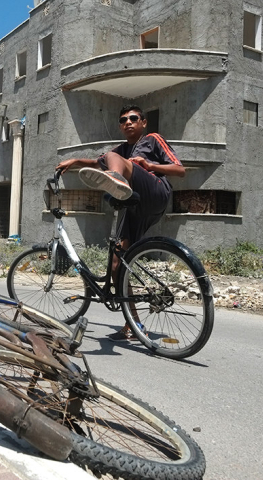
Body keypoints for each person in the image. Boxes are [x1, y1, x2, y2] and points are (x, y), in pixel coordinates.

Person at [56, 105, 185, 341]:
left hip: (155, 190)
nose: (128, 122)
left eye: (133, 118)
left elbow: (180, 169)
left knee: (112, 158)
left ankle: (116, 180)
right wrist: (74, 161)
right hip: (134, 204)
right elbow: (97, 162)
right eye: (123, 119)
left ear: (143, 122)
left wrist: (149, 166)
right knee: (117, 264)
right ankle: (133, 325)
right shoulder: (122, 150)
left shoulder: (153, 140)